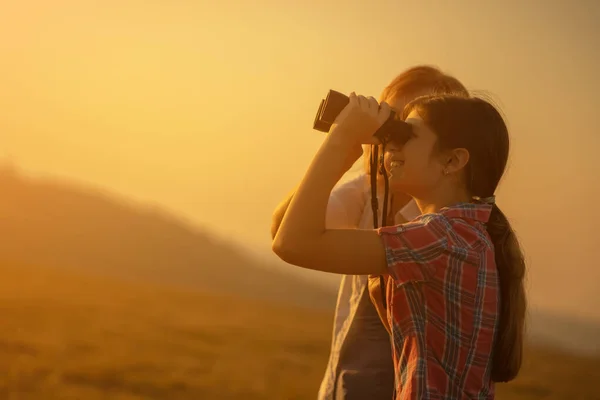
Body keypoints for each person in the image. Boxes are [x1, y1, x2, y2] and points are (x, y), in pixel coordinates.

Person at [272, 92, 527, 399]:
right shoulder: (464, 234)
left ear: (453, 160)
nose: (391, 145)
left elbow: (293, 242)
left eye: (408, 134)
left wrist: (342, 141)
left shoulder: (440, 238)